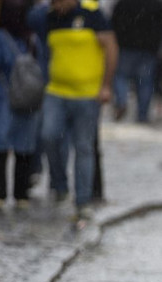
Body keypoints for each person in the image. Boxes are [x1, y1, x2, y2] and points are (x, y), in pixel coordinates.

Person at [40, 0, 117, 224]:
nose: (57, 5)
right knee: (49, 136)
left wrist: (106, 85)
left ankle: (82, 201)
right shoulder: (50, 17)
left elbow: (111, 47)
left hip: (87, 94)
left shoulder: (92, 15)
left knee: (83, 147)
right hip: (56, 91)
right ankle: (59, 184)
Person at [0, 0, 42, 211]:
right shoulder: (32, 37)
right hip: (28, 98)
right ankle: (21, 194)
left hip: (3, 95)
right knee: (23, 147)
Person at [111, 0, 162, 123]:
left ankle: (121, 101)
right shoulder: (156, 5)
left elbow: (113, 24)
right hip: (148, 49)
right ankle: (142, 114)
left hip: (126, 46)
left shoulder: (123, 4)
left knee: (121, 76)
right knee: (145, 82)